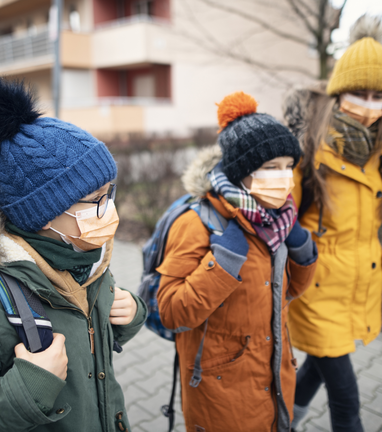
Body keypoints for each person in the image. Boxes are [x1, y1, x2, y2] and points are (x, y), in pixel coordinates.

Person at [0, 76, 146, 432]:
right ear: (39, 212)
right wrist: (26, 387)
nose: (108, 210)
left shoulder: (85, 259)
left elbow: (90, 339)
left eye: (109, 194)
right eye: (94, 201)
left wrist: (130, 315)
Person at [156, 92, 318, 432]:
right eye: (270, 167)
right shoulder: (198, 223)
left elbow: (289, 293)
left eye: (289, 166)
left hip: (275, 378)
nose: (284, 178)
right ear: (241, 171)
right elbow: (172, 312)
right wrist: (224, 260)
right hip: (221, 394)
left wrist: (302, 248)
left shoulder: (278, 221)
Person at [281, 16, 382, 431]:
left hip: (358, 286)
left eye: (378, 96)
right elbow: (282, 219)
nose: (369, 104)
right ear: (339, 92)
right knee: (346, 398)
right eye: (359, 92)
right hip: (317, 288)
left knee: (320, 369)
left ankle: (284, 422)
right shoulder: (308, 148)